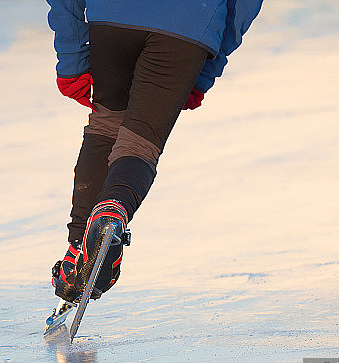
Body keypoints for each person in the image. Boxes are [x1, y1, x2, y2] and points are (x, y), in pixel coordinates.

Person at [47, 0, 264, 302]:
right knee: (139, 143)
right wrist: (206, 66)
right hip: (187, 24)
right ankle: (111, 212)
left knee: (106, 124)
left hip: (112, 17)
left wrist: (71, 57)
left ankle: (77, 255)